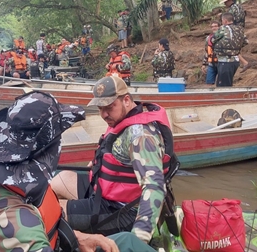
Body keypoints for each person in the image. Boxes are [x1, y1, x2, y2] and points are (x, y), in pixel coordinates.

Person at [0, 91, 127, 252]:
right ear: (48, 151)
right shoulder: (19, 225)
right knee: (127, 242)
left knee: (125, 240)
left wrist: (76, 236)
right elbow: (21, 232)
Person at [51, 76, 178, 245]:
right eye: (100, 108)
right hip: (106, 190)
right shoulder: (121, 118)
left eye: (109, 107)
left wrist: (137, 240)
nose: (104, 114)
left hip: (122, 210)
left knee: (49, 212)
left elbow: (154, 187)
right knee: (60, 179)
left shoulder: (141, 136)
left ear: (126, 100)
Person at [212, 13, 247, 87]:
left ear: (225, 21)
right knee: (227, 83)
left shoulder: (224, 28)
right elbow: (246, 41)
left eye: (222, 21)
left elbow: (213, 39)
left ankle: (225, 98)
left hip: (225, 61)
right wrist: (235, 48)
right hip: (235, 61)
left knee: (223, 86)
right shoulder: (240, 29)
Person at [221, 0, 250, 72]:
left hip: (234, 29)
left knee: (232, 47)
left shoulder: (231, 10)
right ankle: (241, 62)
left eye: (225, 2)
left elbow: (230, 20)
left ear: (229, 1)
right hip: (241, 28)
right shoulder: (239, 6)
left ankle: (244, 62)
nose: (225, 4)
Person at [201, 21, 219, 85]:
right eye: (212, 27)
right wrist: (204, 64)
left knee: (221, 84)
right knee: (209, 82)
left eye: (215, 26)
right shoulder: (208, 38)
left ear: (219, 27)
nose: (214, 28)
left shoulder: (223, 37)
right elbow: (207, 51)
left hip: (221, 62)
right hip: (211, 63)